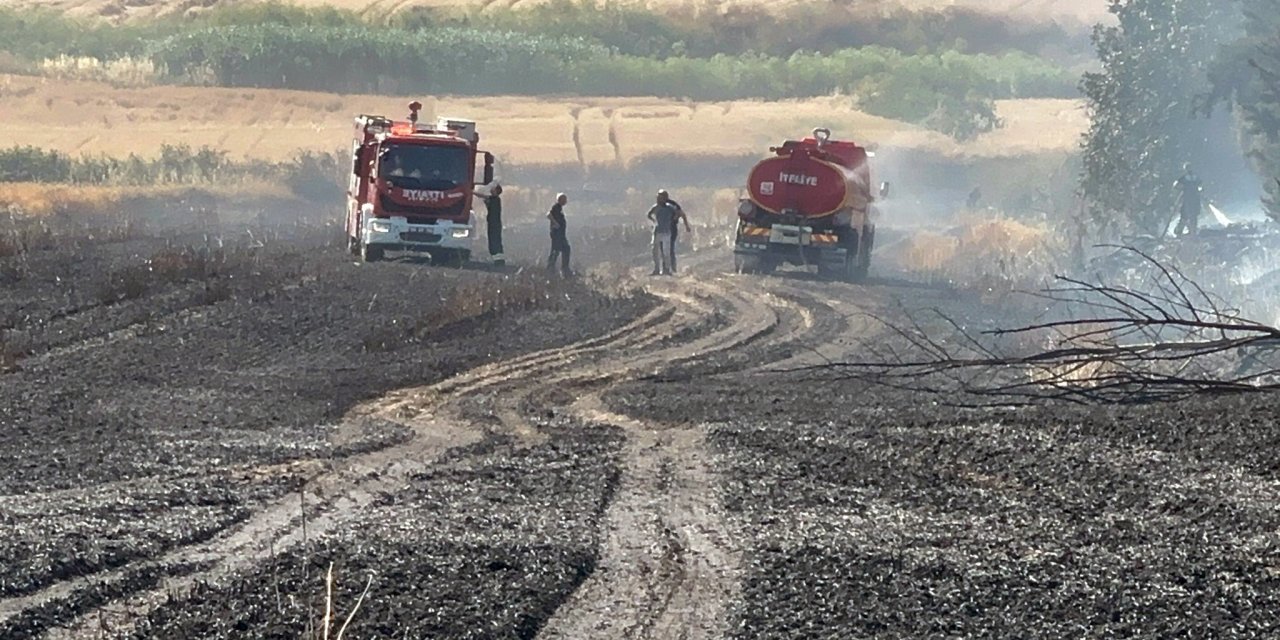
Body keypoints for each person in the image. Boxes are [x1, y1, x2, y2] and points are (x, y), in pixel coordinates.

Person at [647, 190, 682, 275]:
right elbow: (649, 214)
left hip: (666, 232)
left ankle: (667, 269)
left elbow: (678, 213)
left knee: (666, 252)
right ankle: (657, 269)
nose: (658, 199)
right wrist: (654, 221)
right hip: (657, 231)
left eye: (660, 197)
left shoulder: (669, 207)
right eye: (658, 197)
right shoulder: (655, 207)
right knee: (655, 251)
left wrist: (673, 220)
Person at [658, 190, 692, 273]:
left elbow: (682, 214)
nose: (659, 198)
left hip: (671, 229)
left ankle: (672, 268)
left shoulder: (672, 205)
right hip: (661, 229)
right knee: (662, 249)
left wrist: (686, 225)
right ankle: (665, 268)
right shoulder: (658, 205)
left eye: (660, 196)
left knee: (670, 248)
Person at [1173, 164, 1203, 237]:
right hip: (1187, 199)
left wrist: (1200, 189)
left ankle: (1193, 231)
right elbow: (1176, 185)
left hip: (1195, 198)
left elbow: (1201, 185)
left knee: (1194, 215)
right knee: (1184, 215)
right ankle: (1179, 231)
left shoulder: (1196, 177)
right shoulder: (1184, 178)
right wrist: (1182, 188)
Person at [546, 193, 572, 277]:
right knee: (558, 250)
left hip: (560, 234)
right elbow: (548, 214)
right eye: (564, 199)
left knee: (562, 250)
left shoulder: (559, 208)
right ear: (560, 200)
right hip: (557, 234)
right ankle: (555, 268)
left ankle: (558, 268)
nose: (565, 201)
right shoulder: (556, 207)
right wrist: (555, 223)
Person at [480, 184, 504, 265]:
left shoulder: (495, 199)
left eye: (493, 188)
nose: (491, 189)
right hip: (493, 223)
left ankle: (498, 261)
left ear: (496, 191)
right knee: (495, 240)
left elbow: (483, 196)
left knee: (494, 241)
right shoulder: (496, 200)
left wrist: (471, 192)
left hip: (494, 224)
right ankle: (498, 260)